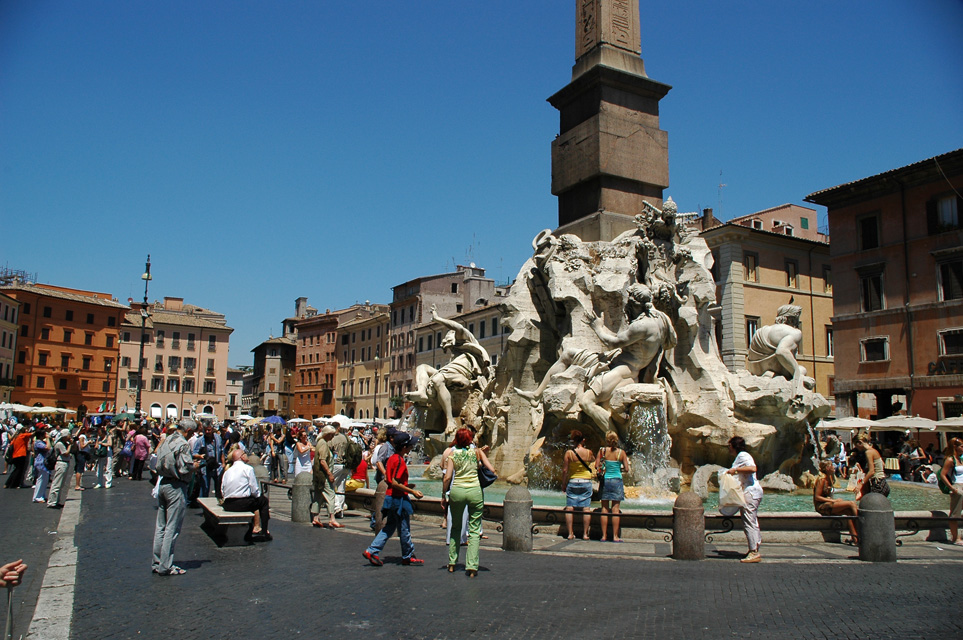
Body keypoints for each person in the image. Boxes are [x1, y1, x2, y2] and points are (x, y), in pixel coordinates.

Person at [406, 305, 491, 435]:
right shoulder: (454, 355)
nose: (443, 342)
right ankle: (422, 392)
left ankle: (450, 419)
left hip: (463, 376)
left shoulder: (464, 339)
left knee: (437, 378)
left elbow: (458, 327)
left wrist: (437, 318)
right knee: (422, 367)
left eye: (446, 338)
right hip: (449, 373)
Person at [363, 432, 424, 566]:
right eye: (410, 445)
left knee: (389, 527)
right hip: (398, 499)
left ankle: (372, 550)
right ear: (404, 447)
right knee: (404, 528)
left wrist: (406, 485)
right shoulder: (399, 460)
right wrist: (412, 491)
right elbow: (395, 482)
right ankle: (407, 555)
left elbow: (388, 478)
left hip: (391, 497)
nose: (412, 447)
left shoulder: (392, 458)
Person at [441, 428, 495, 577]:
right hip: (475, 492)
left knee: (456, 527)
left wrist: (444, 495)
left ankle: (452, 563)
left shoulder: (452, 454)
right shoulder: (477, 452)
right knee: (474, 530)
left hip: (457, 491)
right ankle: (472, 567)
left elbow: (447, 477)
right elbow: (492, 469)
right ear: (470, 439)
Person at [152, 419, 201, 576]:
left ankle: (157, 562)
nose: (191, 435)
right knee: (172, 528)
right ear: (187, 430)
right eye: (191, 433)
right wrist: (196, 466)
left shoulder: (167, 439)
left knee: (160, 526)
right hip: (176, 486)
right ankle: (166, 566)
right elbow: (185, 468)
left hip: (163, 484)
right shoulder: (183, 444)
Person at [727, 436, 763, 563]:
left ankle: (754, 552)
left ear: (734, 446)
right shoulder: (742, 455)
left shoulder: (743, 455)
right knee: (752, 520)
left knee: (749, 522)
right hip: (752, 492)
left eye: (729, 445)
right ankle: (754, 548)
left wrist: (735, 469)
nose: (728, 448)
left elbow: (753, 468)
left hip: (750, 492)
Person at [221, 449, 272, 541]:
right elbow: (254, 488)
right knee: (263, 501)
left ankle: (250, 529)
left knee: (253, 501)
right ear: (242, 457)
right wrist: (257, 496)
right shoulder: (247, 469)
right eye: (245, 454)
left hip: (228, 504)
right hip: (241, 504)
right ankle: (264, 532)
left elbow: (222, 490)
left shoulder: (228, 471)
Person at [813, 459, 859, 545]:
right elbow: (817, 497)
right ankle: (860, 525)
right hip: (821, 506)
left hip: (828, 504)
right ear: (827, 468)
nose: (834, 467)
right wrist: (834, 500)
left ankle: (855, 538)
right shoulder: (821, 479)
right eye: (831, 465)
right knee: (851, 504)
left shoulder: (829, 478)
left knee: (849, 512)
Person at [597, 430, 631, 542]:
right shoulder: (621, 453)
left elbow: (597, 465)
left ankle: (603, 536)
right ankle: (615, 536)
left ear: (607, 440)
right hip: (617, 480)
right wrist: (618, 468)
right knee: (616, 510)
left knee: (604, 509)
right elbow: (626, 469)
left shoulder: (602, 451)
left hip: (605, 480)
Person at [561, 430, 595, 540]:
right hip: (586, 481)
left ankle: (570, 533)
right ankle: (585, 534)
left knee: (570, 508)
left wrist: (563, 483)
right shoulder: (589, 452)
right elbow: (593, 460)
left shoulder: (569, 453)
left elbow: (565, 470)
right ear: (583, 440)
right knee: (586, 509)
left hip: (573, 481)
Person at [311, 426, 343, 529]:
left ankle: (315, 518)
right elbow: (323, 460)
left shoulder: (319, 442)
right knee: (331, 495)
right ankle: (332, 519)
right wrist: (329, 474)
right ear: (327, 434)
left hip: (318, 475)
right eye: (332, 435)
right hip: (323, 475)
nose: (333, 437)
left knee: (318, 496)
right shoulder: (324, 444)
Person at [939, 438, 963, 547]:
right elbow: (942, 475)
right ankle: (955, 537)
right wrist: (952, 488)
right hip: (957, 486)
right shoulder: (950, 459)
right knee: (955, 513)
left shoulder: (961, 459)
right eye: (961, 446)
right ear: (955, 447)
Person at [47, 430, 73, 509]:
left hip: (65, 463)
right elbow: (65, 453)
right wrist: (70, 445)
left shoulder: (64, 443)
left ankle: (56, 501)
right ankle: (51, 502)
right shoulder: (59, 444)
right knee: (57, 483)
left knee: (61, 483)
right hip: (61, 463)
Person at [329, 424, 350, 515]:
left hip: (336, 463)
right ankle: (340, 509)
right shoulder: (345, 437)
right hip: (346, 465)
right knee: (341, 488)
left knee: (331, 485)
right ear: (338, 428)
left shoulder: (332, 439)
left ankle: (336, 507)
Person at [31, 429, 51, 503]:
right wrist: (48, 438)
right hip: (41, 462)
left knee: (45, 480)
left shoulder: (41, 442)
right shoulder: (38, 442)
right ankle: (37, 497)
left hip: (44, 462)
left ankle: (42, 495)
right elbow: (48, 447)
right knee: (41, 479)